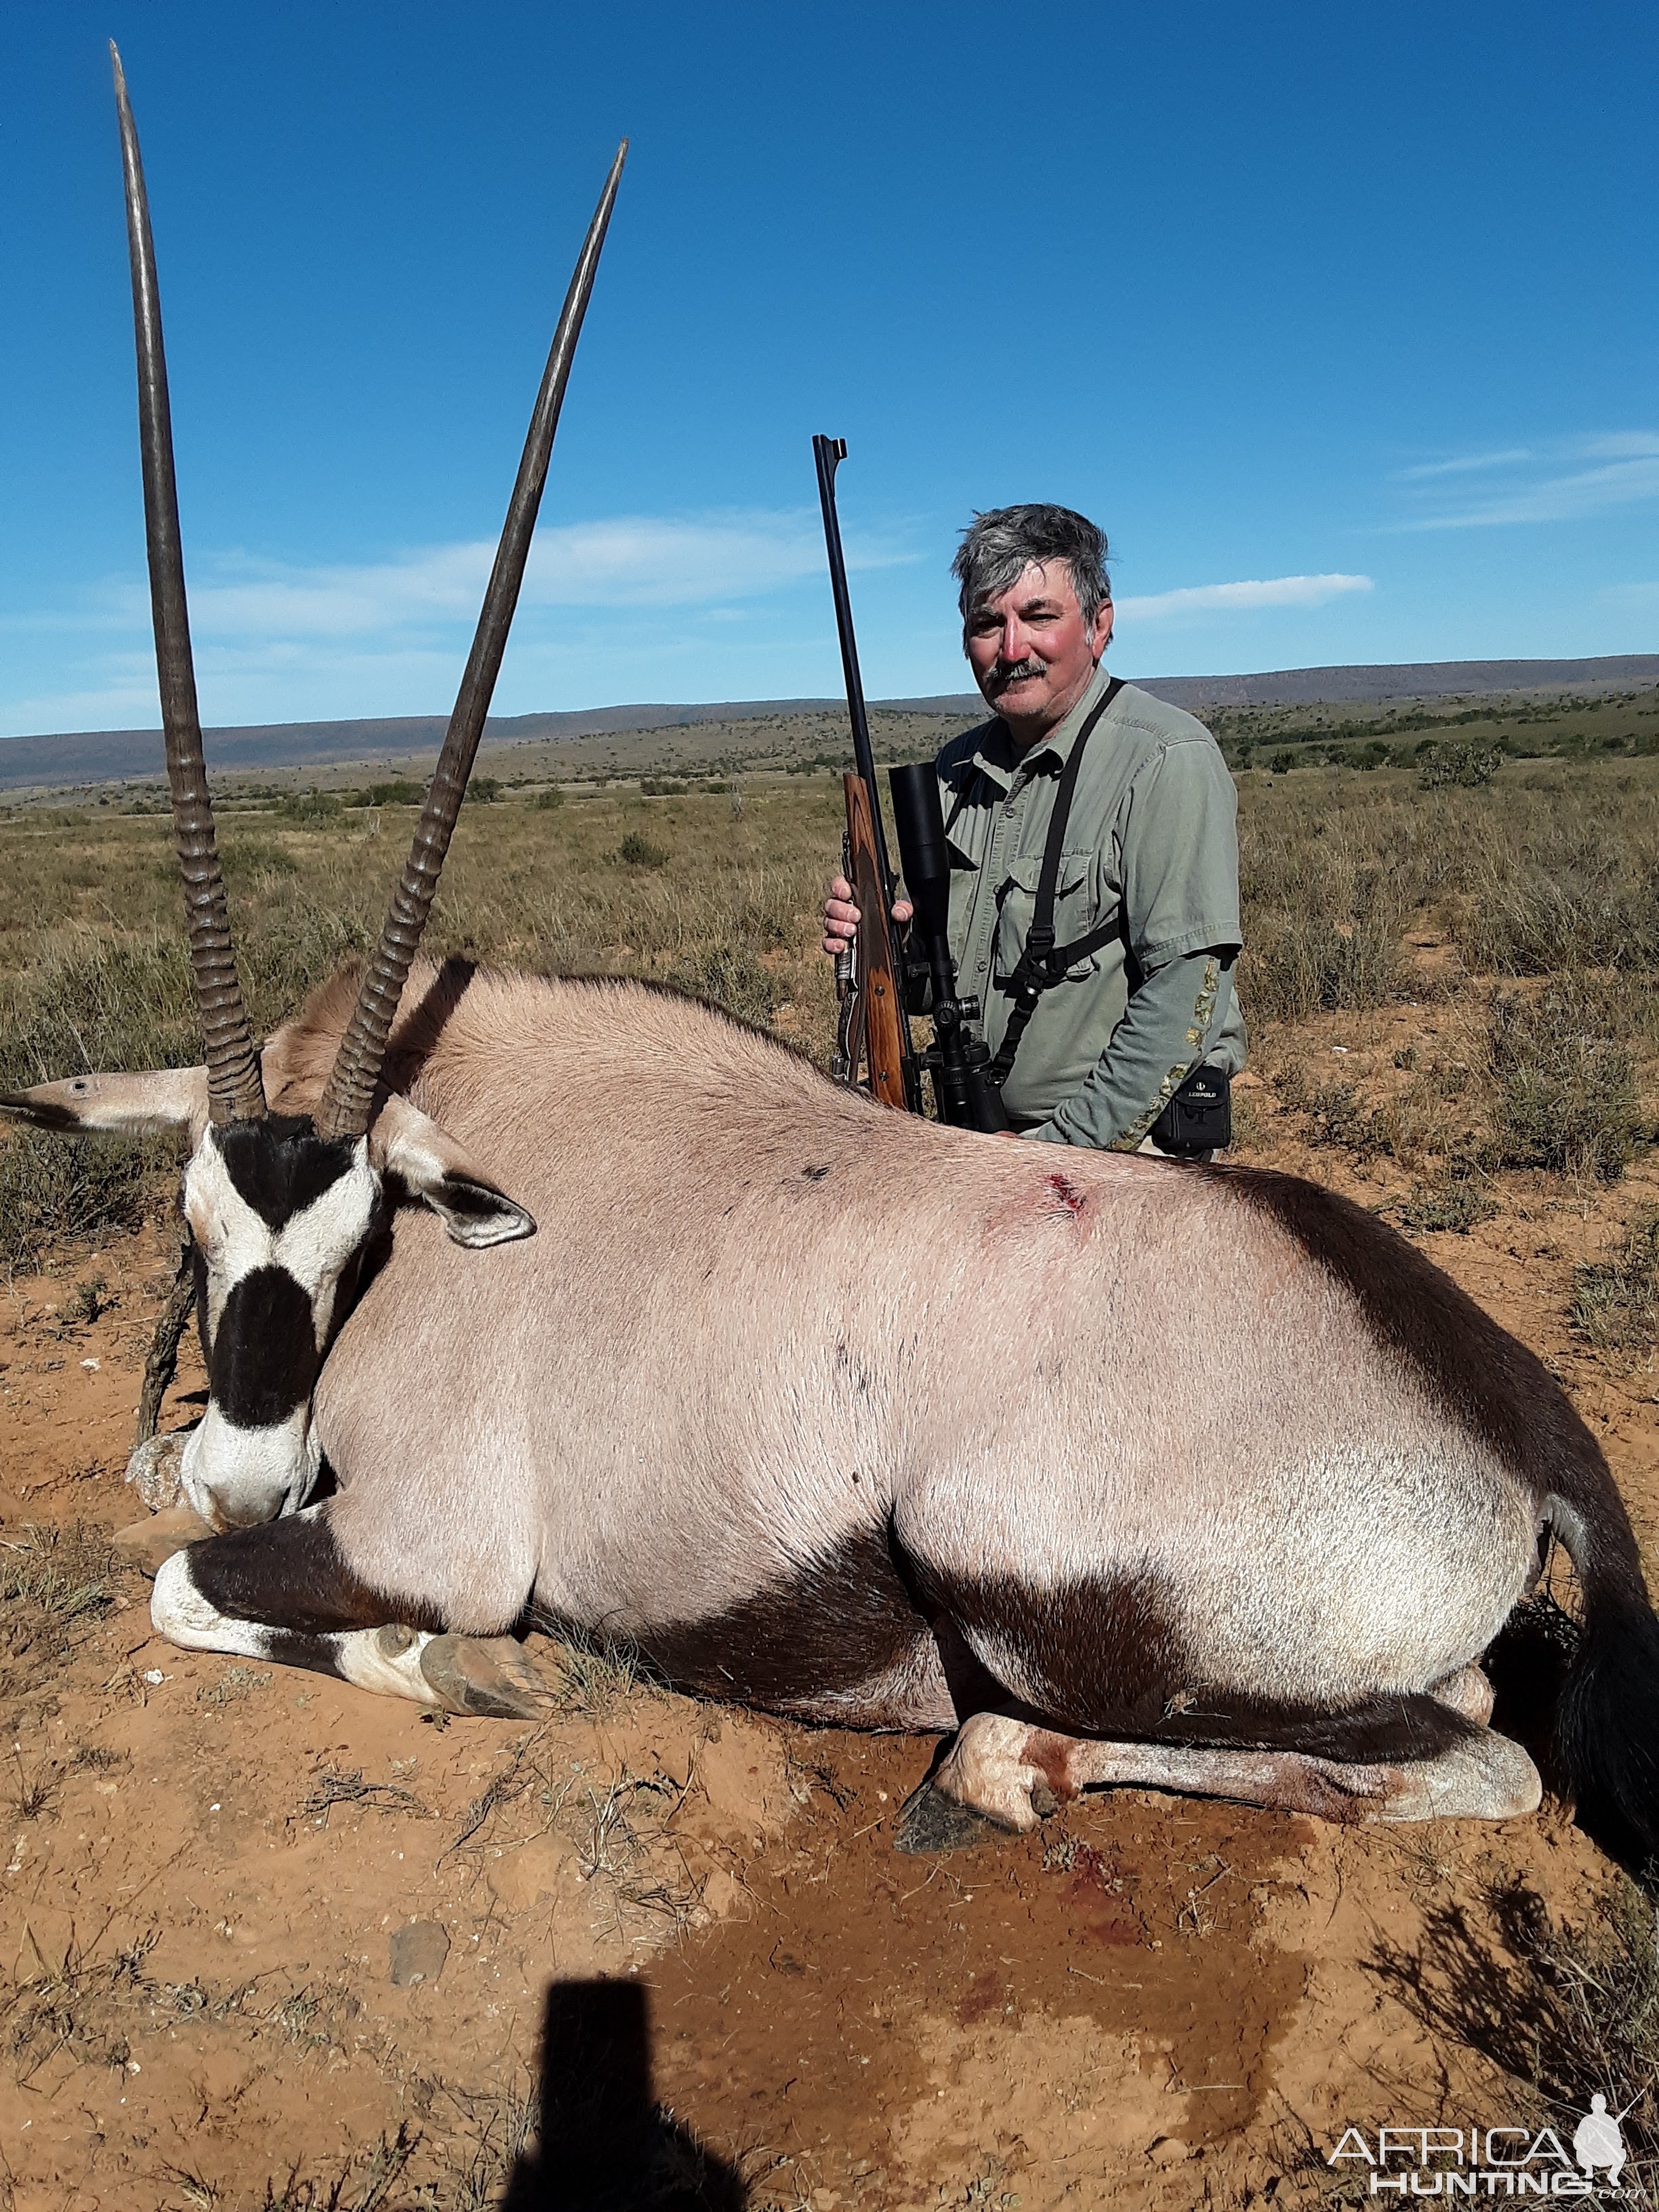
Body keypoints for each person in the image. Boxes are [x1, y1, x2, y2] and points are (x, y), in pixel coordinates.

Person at [821, 504, 1245, 1152]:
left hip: (1120, 1164)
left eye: (1039, 617)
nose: (1012, 649)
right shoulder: (953, 772)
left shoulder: (1163, 759)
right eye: (988, 623)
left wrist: (1056, 1160)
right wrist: (881, 943)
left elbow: (1183, 998)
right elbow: (931, 985)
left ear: (1099, 626)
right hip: (982, 1148)